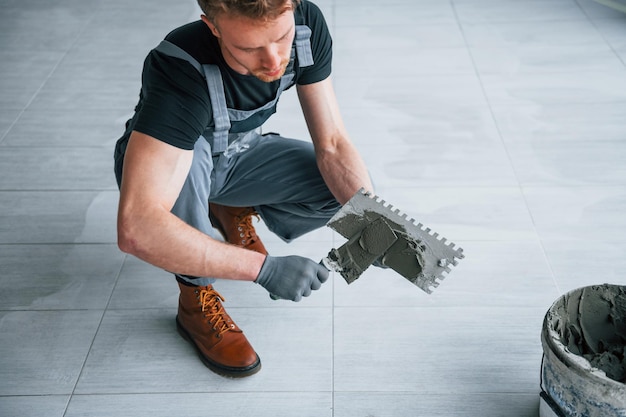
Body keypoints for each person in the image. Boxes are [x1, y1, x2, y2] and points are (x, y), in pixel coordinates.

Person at [114, 0, 373, 378]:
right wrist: (262, 269)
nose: (273, 60)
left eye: (281, 38)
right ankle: (194, 299)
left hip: (239, 154)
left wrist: (373, 221)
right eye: (249, 48)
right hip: (171, 168)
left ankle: (228, 207)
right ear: (213, 27)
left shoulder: (305, 23)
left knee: (341, 194)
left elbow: (332, 144)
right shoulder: (180, 67)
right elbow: (137, 226)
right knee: (191, 165)